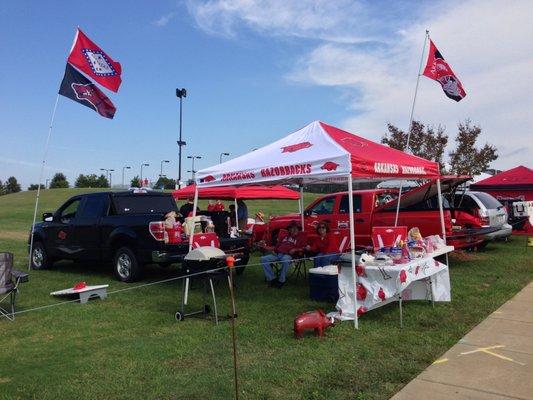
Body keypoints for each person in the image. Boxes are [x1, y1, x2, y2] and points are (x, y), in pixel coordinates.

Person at [260, 221, 305, 288]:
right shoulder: (284, 237)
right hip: (278, 254)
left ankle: (281, 280)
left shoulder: (300, 237)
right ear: (289, 230)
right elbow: (276, 246)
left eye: (296, 228)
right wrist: (267, 248)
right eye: (292, 228)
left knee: (285, 260)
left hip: (288, 255)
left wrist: (295, 249)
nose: (295, 230)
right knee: (263, 259)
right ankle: (272, 279)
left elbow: (303, 248)